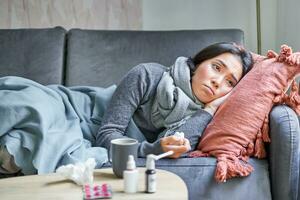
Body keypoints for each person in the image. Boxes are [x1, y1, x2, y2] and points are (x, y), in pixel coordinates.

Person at [96, 42, 253, 159]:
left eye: (230, 82)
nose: (217, 81)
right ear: (199, 62)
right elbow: (106, 135)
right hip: (87, 115)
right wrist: (151, 149)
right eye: (216, 67)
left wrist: (208, 110)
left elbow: (179, 150)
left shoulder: (210, 115)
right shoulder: (146, 75)